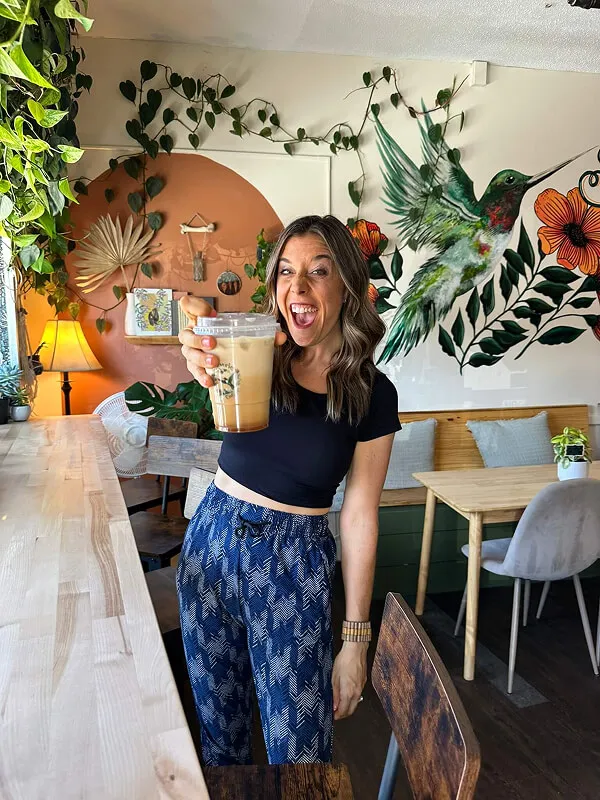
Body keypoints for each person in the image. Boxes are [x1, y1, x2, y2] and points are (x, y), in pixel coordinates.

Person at [177, 214, 400, 766]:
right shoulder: (258, 352)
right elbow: (200, 334)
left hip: (293, 562)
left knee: (300, 756)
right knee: (218, 740)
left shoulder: (371, 394)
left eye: (318, 272)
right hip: (211, 541)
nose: (296, 288)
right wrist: (197, 347)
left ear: (347, 285)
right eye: (285, 272)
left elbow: (359, 516)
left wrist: (355, 637)